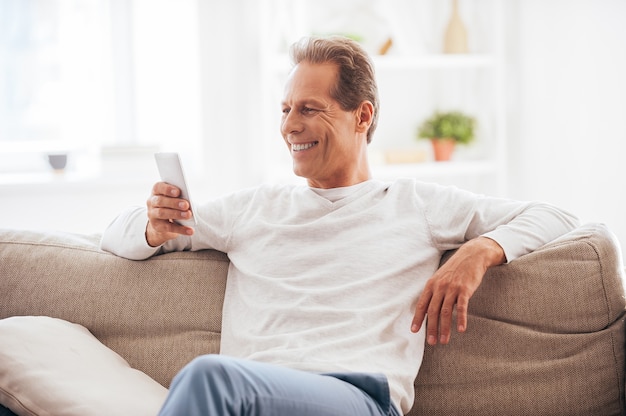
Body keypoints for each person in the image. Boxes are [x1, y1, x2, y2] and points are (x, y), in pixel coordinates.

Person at [101, 36, 579, 416]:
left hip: (356, 399)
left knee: (211, 378)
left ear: (362, 115)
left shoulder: (414, 204)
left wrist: (481, 250)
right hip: (251, 399)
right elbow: (113, 236)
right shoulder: (255, 207)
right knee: (218, 382)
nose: (289, 125)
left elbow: (558, 216)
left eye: (308, 108)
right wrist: (153, 226)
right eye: (285, 109)